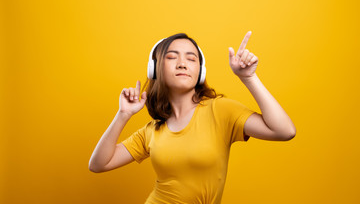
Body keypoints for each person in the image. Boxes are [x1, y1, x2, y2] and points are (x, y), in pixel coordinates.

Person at [88, 31, 296, 203]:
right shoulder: (152, 130)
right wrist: (123, 115)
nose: (182, 63)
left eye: (191, 58)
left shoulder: (221, 111)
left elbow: (284, 131)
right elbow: (98, 164)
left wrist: (249, 77)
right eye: (171, 57)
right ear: (155, 70)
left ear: (200, 72)